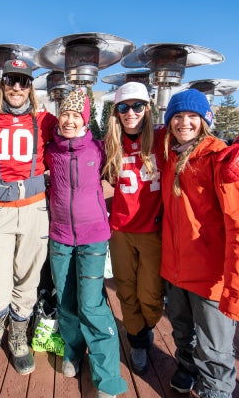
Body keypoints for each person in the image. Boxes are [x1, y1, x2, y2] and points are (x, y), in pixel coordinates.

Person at [160, 89, 239, 398]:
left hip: (210, 275)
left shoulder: (221, 158)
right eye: (177, 116)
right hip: (175, 270)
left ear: (205, 120)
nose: (184, 122)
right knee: (182, 332)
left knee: (214, 349)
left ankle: (215, 392)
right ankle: (187, 369)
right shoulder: (171, 155)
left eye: (193, 116)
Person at [46, 88, 128, 398]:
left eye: (75, 115)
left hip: (93, 237)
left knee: (92, 305)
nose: (69, 120)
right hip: (60, 236)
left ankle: (108, 378)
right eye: (64, 114)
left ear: (85, 120)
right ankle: (73, 350)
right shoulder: (50, 151)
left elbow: (131, 158)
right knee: (66, 301)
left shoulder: (98, 149)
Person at [0, 59, 56, 374]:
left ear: (31, 87)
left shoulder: (44, 120)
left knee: (29, 275)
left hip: (35, 208)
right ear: (2, 84)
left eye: (24, 81)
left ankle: (19, 332)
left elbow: (74, 126)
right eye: (11, 80)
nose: (17, 87)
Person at [102, 82, 166, 375]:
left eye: (137, 106)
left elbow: (201, 143)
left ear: (147, 109)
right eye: (124, 107)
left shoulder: (162, 139)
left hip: (152, 232)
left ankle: (148, 325)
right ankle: (137, 340)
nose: (131, 113)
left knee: (151, 295)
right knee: (126, 291)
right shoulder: (110, 144)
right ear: (116, 112)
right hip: (120, 232)